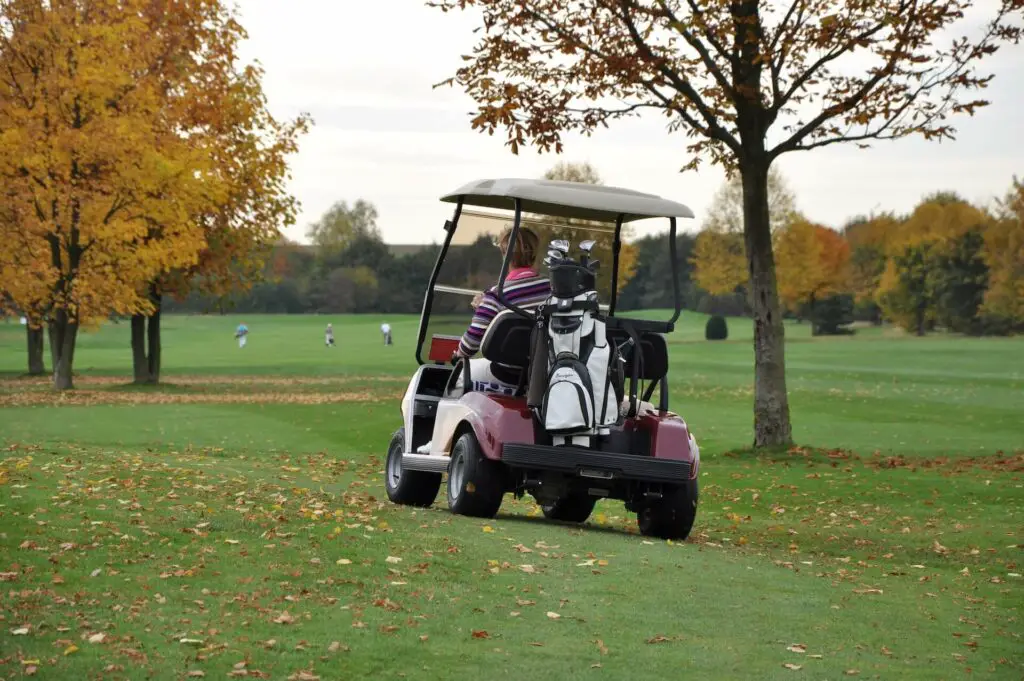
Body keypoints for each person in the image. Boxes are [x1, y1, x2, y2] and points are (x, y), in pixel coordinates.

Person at [455, 225, 550, 394]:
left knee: (458, 377)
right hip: (546, 373)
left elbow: (470, 345)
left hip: (508, 375)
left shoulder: (497, 296)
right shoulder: (552, 289)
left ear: (505, 254)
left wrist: (457, 354)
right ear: (534, 253)